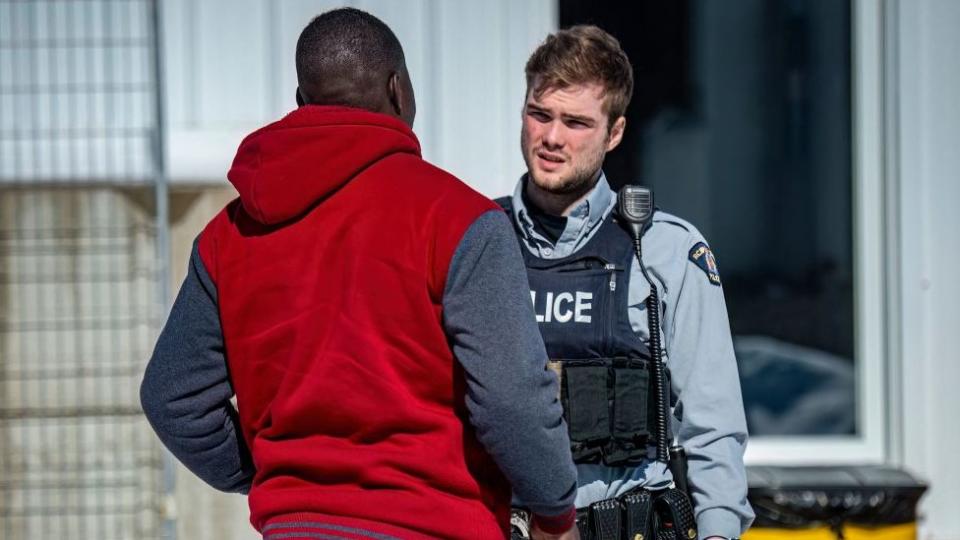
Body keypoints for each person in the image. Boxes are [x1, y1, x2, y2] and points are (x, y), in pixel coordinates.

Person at [140, 8, 580, 540]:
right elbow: (512, 399)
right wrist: (555, 512)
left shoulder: (226, 237)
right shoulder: (458, 221)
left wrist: (275, 478)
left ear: (303, 103)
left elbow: (172, 397)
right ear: (399, 90)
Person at [498, 26, 755, 540]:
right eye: (540, 114)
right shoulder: (477, 241)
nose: (551, 138)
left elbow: (714, 426)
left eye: (575, 122)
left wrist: (720, 532)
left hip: (625, 523)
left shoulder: (666, 250)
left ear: (614, 133)